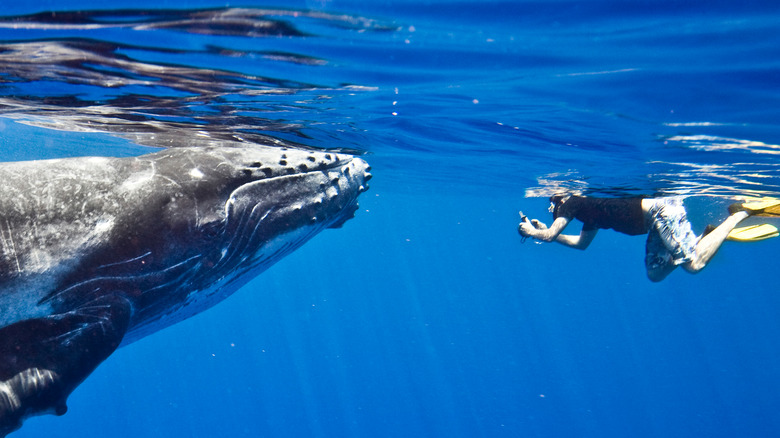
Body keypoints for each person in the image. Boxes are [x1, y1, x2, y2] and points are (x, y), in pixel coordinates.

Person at [517, 195, 765, 282]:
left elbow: (550, 235)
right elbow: (581, 244)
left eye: (550, 202)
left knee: (694, 264)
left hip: (661, 213)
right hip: (657, 219)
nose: (551, 209)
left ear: (558, 198)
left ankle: (742, 212)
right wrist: (542, 231)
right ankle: (708, 236)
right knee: (655, 273)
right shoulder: (587, 212)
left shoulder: (571, 203)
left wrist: (532, 231)